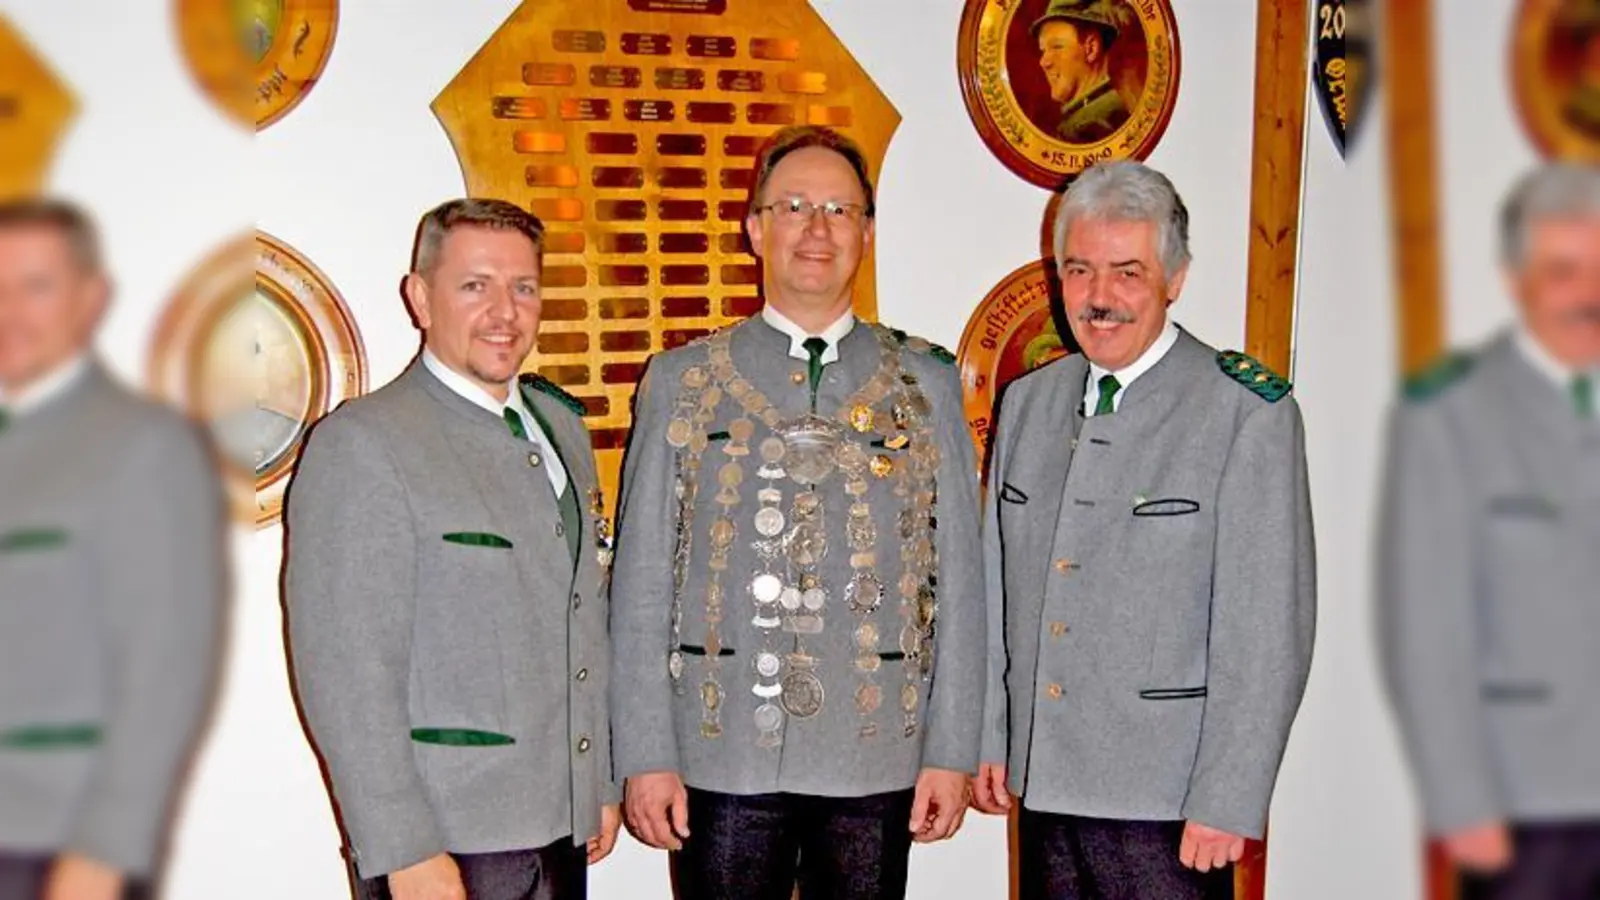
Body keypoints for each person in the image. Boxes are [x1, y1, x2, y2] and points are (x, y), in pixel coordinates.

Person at [609, 125, 985, 900]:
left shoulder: (926, 382)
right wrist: (645, 752)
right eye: (795, 207)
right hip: (722, 750)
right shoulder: (682, 381)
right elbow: (642, 582)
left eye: (841, 211)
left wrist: (952, 746)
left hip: (876, 747)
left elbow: (963, 582)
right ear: (755, 227)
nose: (818, 230)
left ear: (868, 233)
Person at [972, 161, 1316, 900]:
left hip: (1170, 804)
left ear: (1176, 278)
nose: (1100, 298)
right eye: (1080, 269)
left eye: (1128, 272)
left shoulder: (1245, 415)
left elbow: (1267, 633)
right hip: (1047, 788)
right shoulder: (1030, 404)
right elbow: (993, 594)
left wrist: (1228, 796)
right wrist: (992, 734)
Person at [284, 198, 620, 900]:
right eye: (475, 286)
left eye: (523, 287)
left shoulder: (560, 428)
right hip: (447, 843)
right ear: (420, 297)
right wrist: (403, 847)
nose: (505, 311)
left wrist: (598, 779)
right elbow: (346, 671)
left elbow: (582, 619)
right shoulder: (366, 444)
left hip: (559, 828)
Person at [1379, 162, 1600, 900]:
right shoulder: (1451, 415)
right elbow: (1425, 629)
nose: (1589, 295)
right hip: (1527, 803)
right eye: (1563, 271)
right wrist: (1461, 800)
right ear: (1515, 279)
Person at [0, 199, 225, 900]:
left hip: (52, 847)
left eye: (36, 286)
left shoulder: (142, 448)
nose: (10, 311)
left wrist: (105, 850)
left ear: (91, 299)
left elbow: (165, 669)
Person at [1031, 0, 1131, 144]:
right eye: (1043, 50)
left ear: (1091, 49)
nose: (1043, 62)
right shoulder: (1091, 115)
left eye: (1057, 47)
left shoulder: (1092, 126)